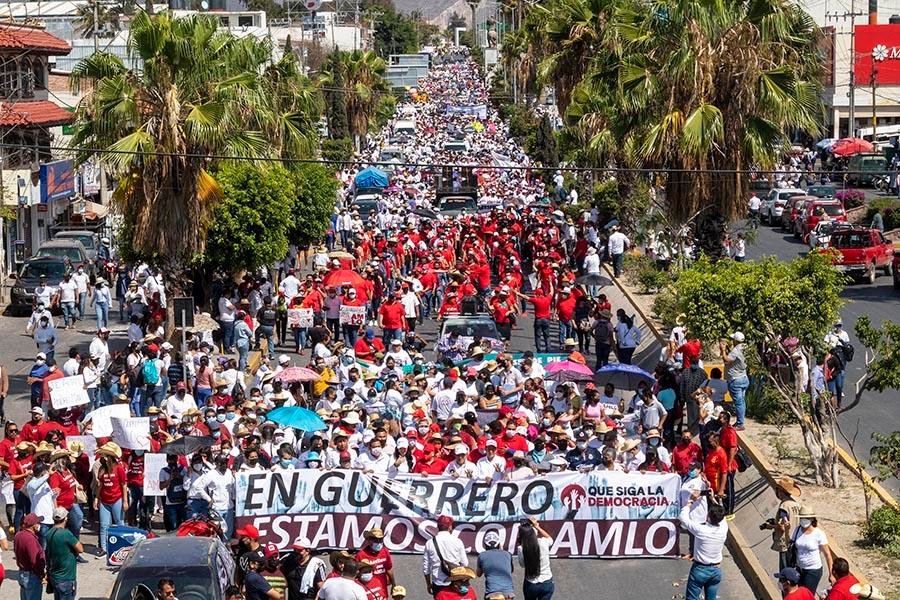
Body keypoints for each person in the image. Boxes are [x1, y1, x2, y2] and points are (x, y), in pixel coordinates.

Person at [680, 500, 728, 600]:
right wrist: (713, 498)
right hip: (716, 570)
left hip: (700, 569)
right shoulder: (723, 529)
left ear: (708, 516)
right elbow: (722, 516)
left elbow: (683, 518)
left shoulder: (700, 529)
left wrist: (690, 502)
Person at [93, 442, 128, 556]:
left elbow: (123, 485)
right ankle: (104, 548)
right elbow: (100, 486)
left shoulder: (119, 468)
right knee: (104, 525)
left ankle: (123, 545)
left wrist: (125, 501)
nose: (103, 458)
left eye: (105, 456)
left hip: (117, 499)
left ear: (110, 458)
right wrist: (96, 499)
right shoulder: (102, 470)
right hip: (104, 500)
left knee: (119, 523)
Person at [759, 476, 802, 570]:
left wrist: (770, 526)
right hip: (795, 541)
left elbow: (782, 527)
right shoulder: (796, 504)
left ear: (780, 491)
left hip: (785, 543)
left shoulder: (784, 506)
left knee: (784, 571)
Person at [423, 515, 468, 597]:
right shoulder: (457, 541)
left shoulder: (429, 543)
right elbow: (465, 563)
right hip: (455, 582)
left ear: (437, 526)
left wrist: (428, 584)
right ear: (450, 527)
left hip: (438, 583)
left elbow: (426, 568)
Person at [791, 506, 832, 594]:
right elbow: (792, 545)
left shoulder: (819, 534)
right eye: (802, 518)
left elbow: (827, 554)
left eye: (806, 518)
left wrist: (831, 573)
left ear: (812, 519)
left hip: (813, 570)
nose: (804, 520)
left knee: (807, 594)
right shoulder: (797, 530)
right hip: (799, 568)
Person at [45, 507, 83, 600]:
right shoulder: (66, 534)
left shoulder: (49, 532)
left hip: (55, 576)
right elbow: (80, 549)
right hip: (66, 578)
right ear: (65, 518)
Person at [518, 517, 554, 600]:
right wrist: (537, 526)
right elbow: (550, 539)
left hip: (531, 584)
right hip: (547, 581)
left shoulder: (521, 549)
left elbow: (522, 565)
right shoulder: (543, 542)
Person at [719, 332, 749, 430]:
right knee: (742, 401)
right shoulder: (746, 347)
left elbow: (727, 360)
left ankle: (740, 423)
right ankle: (741, 421)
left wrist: (723, 350)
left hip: (736, 379)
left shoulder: (736, 350)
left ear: (735, 340)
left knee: (739, 402)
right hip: (744, 377)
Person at [13, 513, 45, 600]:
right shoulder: (30, 539)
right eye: (38, 523)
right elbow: (34, 560)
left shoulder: (18, 535)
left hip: (22, 573)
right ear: (34, 525)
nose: (39, 525)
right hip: (32, 576)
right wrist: (41, 574)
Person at [355, 527, 394, 598]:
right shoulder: (361, 555)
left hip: (382, 591)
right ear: (369, 540)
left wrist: (394, 584)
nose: (379, 542)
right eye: (376, 540)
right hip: (366, 591)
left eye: (380, 540)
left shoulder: (385, 551)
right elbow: (356, 574)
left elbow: (389, 569)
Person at [476, 530, 514, 600]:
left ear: (485, 544)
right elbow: (511, 570)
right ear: (499, 543)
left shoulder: (482, 556)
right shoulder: (507, 554)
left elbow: (478, 574)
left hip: (492, 592)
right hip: (508, 592)